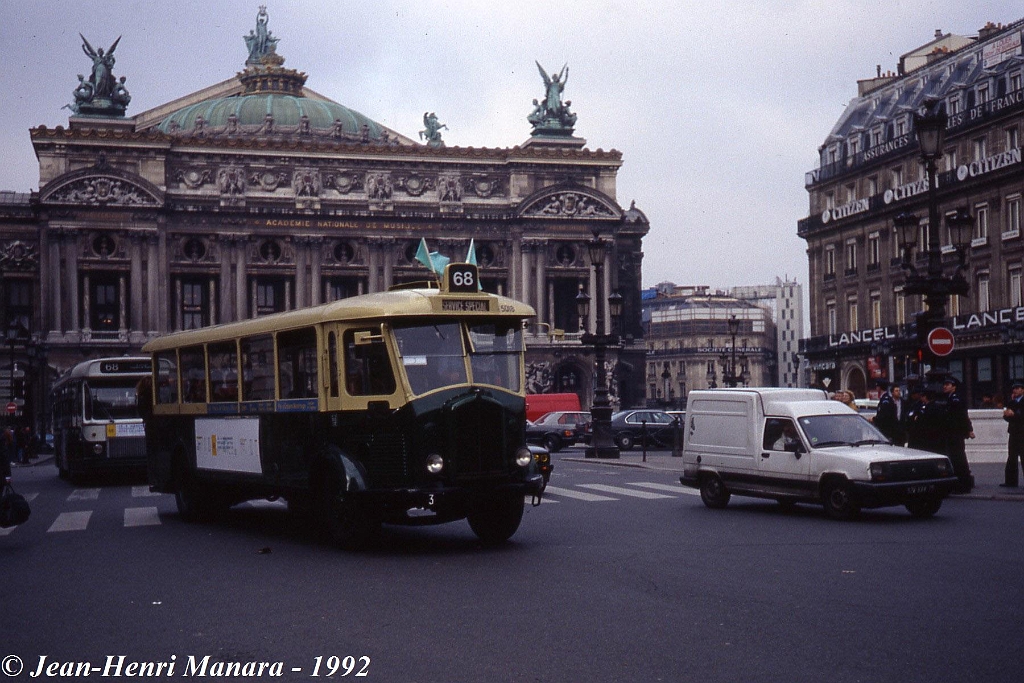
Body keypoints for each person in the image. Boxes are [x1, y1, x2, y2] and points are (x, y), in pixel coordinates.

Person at [942, 376, 975, 493]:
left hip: (955, 432)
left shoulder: (955, 399)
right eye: (944, 384)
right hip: (953, 432)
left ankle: (963, 484)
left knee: (958, 458)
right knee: (956, 457)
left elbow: (962, 416)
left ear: (954, 387)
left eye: (948, 385)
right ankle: (962, 483)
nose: (945, 386)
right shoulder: (949, 398)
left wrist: (968, 429)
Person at [1001, 381, 1024, 488]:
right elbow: (1006, 417)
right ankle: (1011, 481)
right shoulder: (1012, 402)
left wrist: (1014, 414)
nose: (1015, 390)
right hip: (1013, 433)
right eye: (1014, 388)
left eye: (1018, 388)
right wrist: (1007, 415)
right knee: (1012, 457)